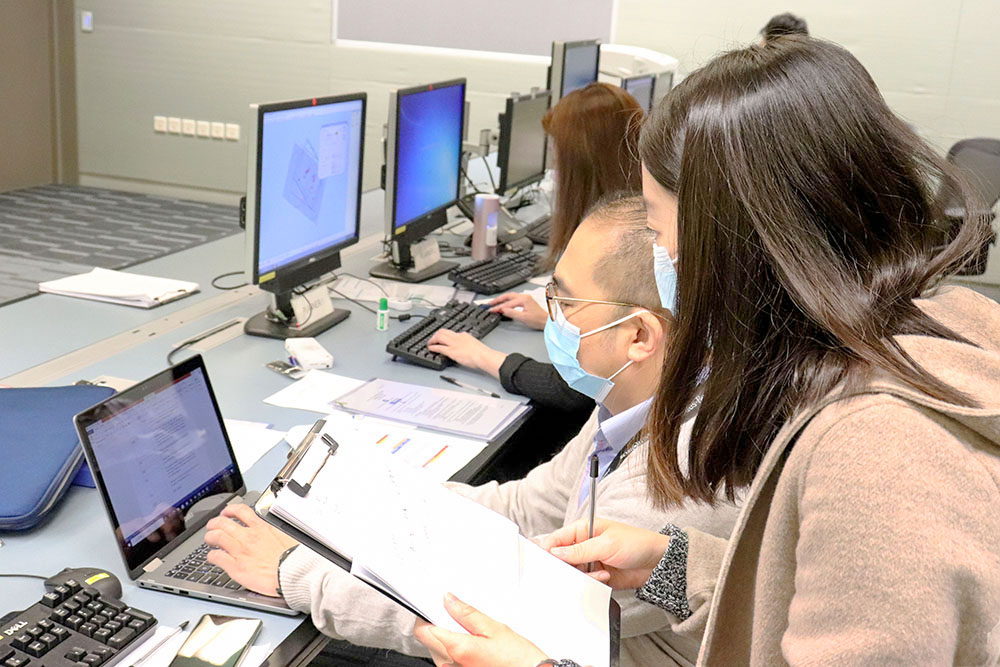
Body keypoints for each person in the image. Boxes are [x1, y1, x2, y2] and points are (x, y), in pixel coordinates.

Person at [414, 36, 1000, 666]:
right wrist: (678, 567)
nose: (659, 258)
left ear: (737, 241)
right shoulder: (907, 340)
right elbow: (820, 593)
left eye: (658, 229)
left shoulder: (877, 450)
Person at [204, 194, 740, 667]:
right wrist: (357, 508)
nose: (550, 315)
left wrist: (292, 573)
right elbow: (528, 506)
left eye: (564, 301)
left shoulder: (683, 479)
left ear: (638, 337)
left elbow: (495, 616)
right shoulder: (637, 401)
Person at [427, 83, 645, 432]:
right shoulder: (638, 215)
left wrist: (482, 356)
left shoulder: (620, 244)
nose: (554, 166)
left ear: (581, 162)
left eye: (558, 154)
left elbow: (574, 390)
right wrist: (554, 320)